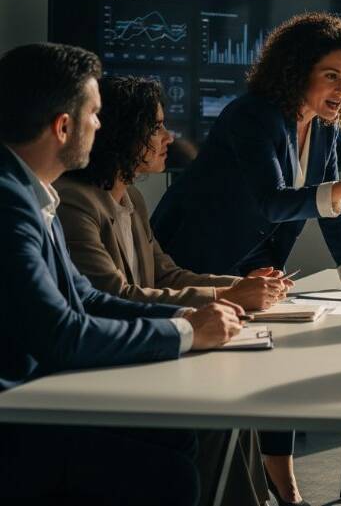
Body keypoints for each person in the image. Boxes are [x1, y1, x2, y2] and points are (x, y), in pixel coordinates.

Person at [151, 12, 341, 505]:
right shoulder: (252, 115)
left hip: (256, 259)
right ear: (297, 70)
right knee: (215, 374)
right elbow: (272, 200)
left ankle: (282, 481)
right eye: (331, 75)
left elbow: (331, 206)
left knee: (276, 355)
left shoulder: (325, 129)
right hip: (197, 252)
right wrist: (339, 190)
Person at [0, 42, 244, 506]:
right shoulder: (10, 200)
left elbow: (86, 298)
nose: (100, 125)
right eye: (94, 114)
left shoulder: (32, 192)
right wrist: (186, 333)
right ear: (63, 126)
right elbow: (61, 333)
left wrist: (187, 316)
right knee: (171, 474)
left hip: (39, 397)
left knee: (178, 437)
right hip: (17, 417)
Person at [55, 75, 282, 506]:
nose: (168, 137)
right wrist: (225, 299)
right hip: (109, 370)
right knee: (220, 411)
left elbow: (166, 275)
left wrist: (241, 285)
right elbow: (115, 295)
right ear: (124, 132)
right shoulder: (75, 202)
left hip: (145, 355)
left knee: (236, 405)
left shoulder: (131, 200)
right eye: (156, 126)